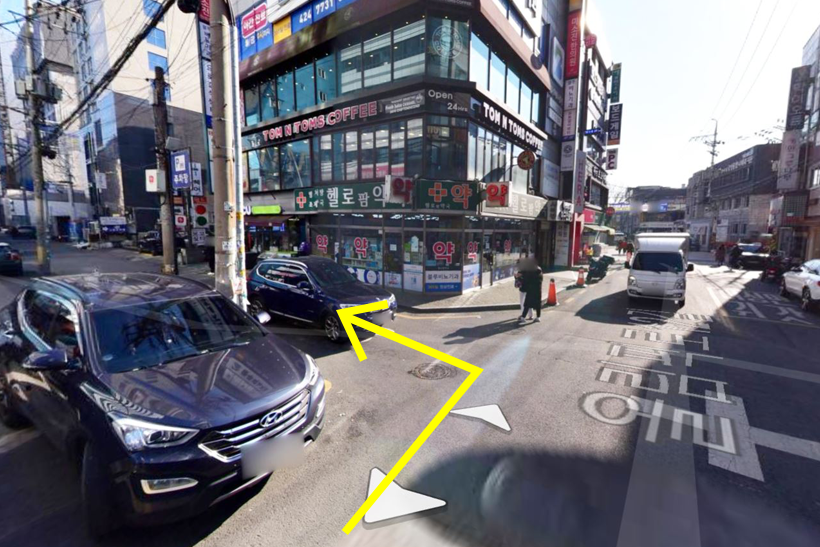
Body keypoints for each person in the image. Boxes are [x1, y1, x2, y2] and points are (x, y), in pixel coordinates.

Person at [518, 257, 543, 324]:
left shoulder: (531, 272)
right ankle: (538, 317)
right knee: (537, 304)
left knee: (527, 304)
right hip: (538, 290)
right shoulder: (540, 271)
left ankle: (523, 317)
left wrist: (520, 278)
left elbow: (526, 280)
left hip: (531, 290)